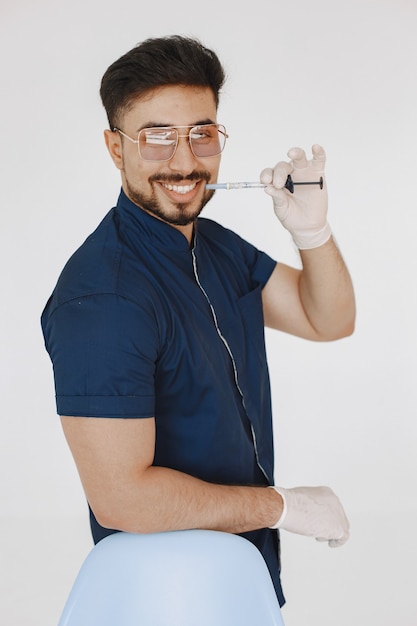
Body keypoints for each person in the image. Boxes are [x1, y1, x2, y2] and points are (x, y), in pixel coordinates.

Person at [41, 35, 355, 607]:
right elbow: (122, 498)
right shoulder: (103, 300)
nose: (184, 161)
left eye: (201, 134)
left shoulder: (215, 248)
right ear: (116, 148)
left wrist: (313, 232)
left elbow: (325, 318)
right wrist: (281, 506)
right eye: (157, 136)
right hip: (163, 593)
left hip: (237, 576)